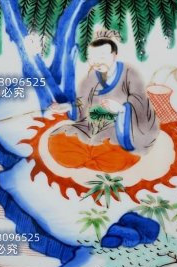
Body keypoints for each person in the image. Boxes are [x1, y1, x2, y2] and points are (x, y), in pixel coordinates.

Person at [48, 39, 159, 170]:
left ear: (115, 55)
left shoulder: (130, 73)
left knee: (116, 155)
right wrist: (67, 107)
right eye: (91, 58)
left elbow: (140, 105)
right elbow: (81, 103)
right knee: (57, 140)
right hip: (90, 127)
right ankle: (90, 155)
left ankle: (98, 156)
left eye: (101, 57)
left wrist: (122, 109)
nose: (96, 62)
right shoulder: (90, 77)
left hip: (123, 131)